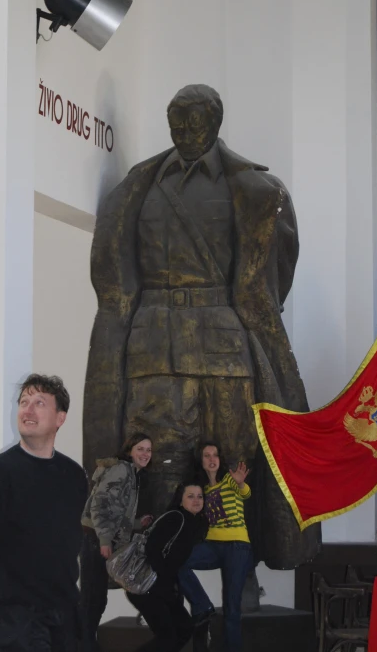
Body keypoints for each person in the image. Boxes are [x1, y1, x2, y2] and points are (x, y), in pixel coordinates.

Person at [83, 83, 320, 570]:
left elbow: (277, 273)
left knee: (238, 454)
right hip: (153, 348)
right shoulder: (139, 186)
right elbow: (115, 275)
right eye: (178, 123)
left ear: (216, 123)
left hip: (224, 345)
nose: (187, 133)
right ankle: (153, 568)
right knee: (157, 457)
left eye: (197, 122)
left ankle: (243, 560)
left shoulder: (258, 190)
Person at [0, 374, 88, 652]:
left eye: (39, 402)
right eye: (24, 402)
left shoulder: (74, 475)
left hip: (64, 619)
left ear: (60, 418)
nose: (27, 410)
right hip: (15, 623)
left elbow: (70, 543)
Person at [80, 432, 153, 651]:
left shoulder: (131, 474)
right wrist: (104, 540)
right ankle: (84, 646)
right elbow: (100, 505)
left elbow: (116, 512)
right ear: (129, 450)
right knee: (92, 600)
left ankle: (86, 644)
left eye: (149, 450)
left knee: (96, 601)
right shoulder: (122, 470)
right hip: (95, 539)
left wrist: (138, 523)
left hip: (99, 538)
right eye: (140, 448)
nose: (145, 454)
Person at [178, 442, 253, 652]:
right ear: (201, 461)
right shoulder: (202, 490)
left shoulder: (229, 479)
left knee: (231, 606)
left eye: (215, 455)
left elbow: (245, 493)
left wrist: (239, 484)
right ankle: (202, 605)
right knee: (178, 560)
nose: (212, 459)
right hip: (212, 545)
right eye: (207, 455)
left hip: (237, 546)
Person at [126, 482, 208, 652]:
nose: (196, 500)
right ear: (180, 500)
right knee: (167, 638)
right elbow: (152, 549)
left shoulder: (195, 523)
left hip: (164, 588)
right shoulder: (176, 518)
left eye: (200, 496)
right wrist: (164, 582)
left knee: (184, 629)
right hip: (148, 586)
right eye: (190, 496)